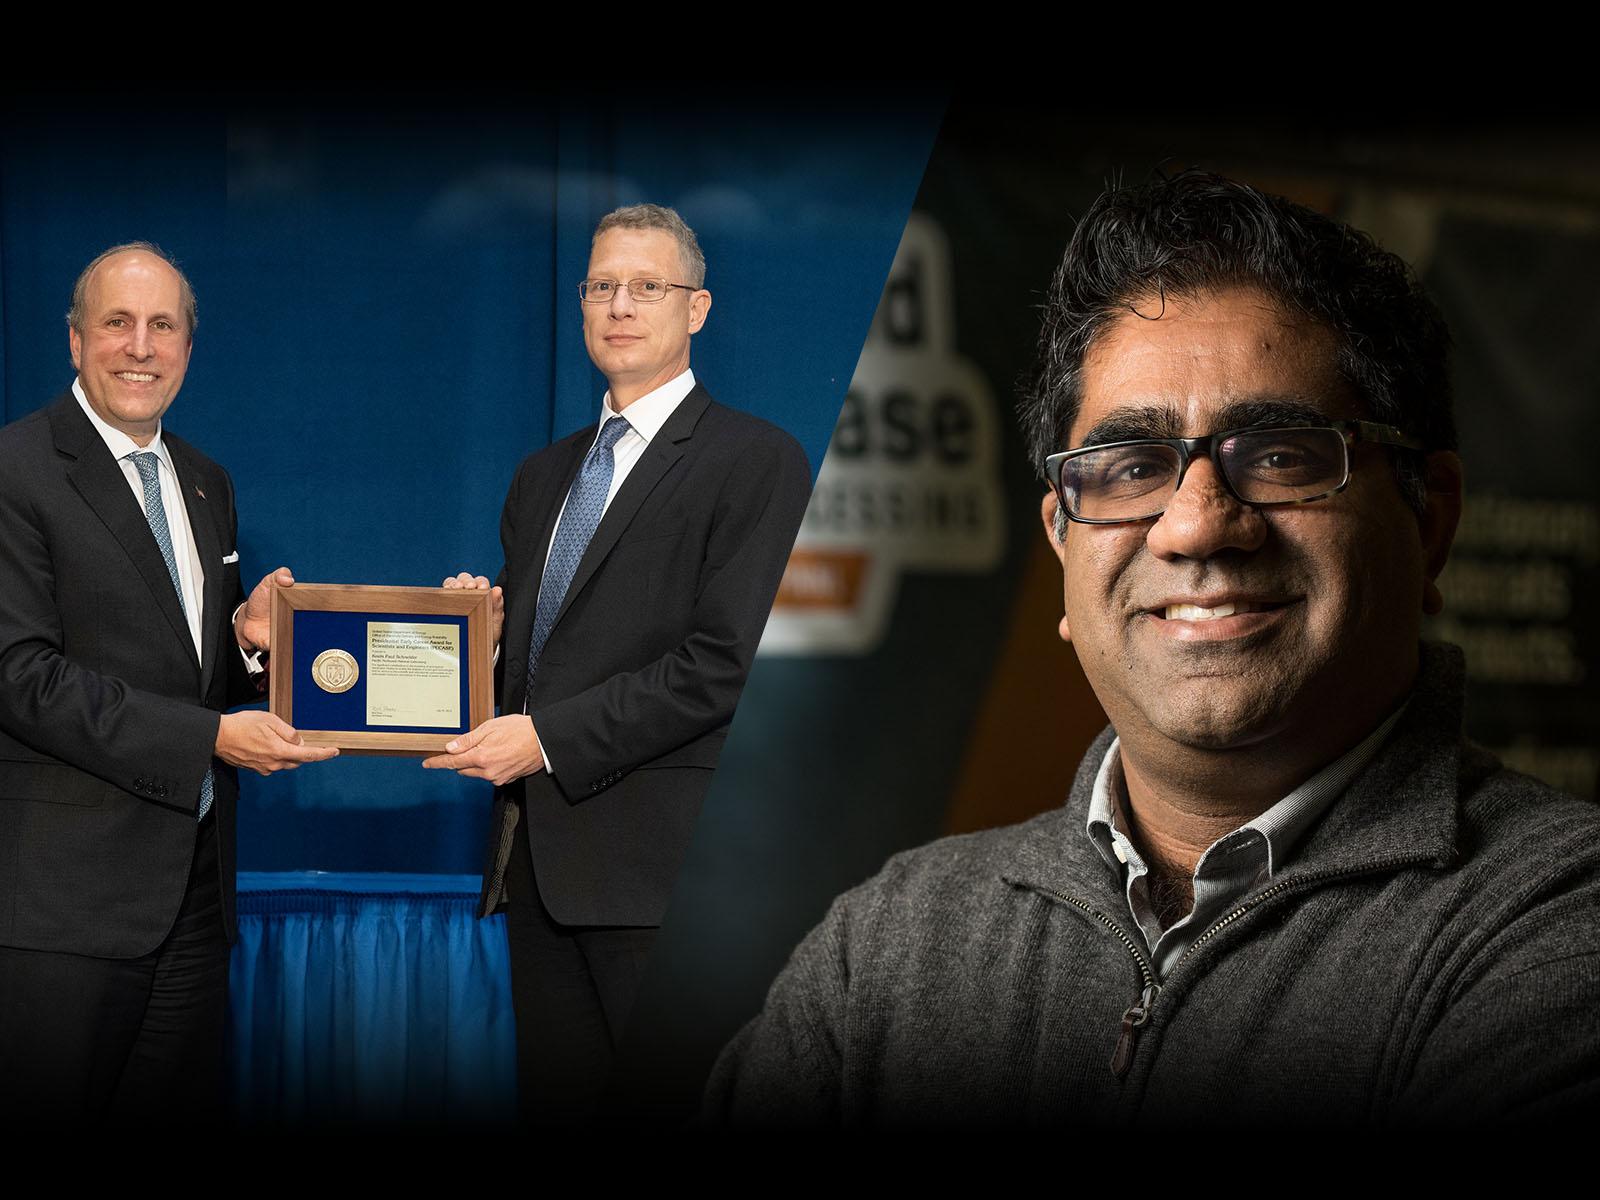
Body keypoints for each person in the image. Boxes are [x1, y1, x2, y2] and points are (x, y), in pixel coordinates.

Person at [705, 172, 1600, 1126]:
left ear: (1431, 523)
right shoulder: (888, 944)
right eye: (1132, 467)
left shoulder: (1556, 925)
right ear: (1062, 544)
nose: (1197, 527)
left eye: (1283, 454)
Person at [425, 204, 812, 1122]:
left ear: (699, 309)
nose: (620, 305)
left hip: (662, 879)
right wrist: (473, 644)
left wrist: (545, 742)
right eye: (602, 285)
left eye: (647, 285)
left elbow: (722, 665)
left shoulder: (756, 461)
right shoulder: (541, 475)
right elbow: (536, 664)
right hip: (537, 872)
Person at [0, 243, 337, 1124]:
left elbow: (188, 671)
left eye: (163, 326)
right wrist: (212, 738)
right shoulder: (16, 471)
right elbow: (21, 678)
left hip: (192, 896)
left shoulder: (202, 482)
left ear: (189, 347)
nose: (139, 347)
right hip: (62, 911)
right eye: (117, 323)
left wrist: (249, 639)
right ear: (75, 341)